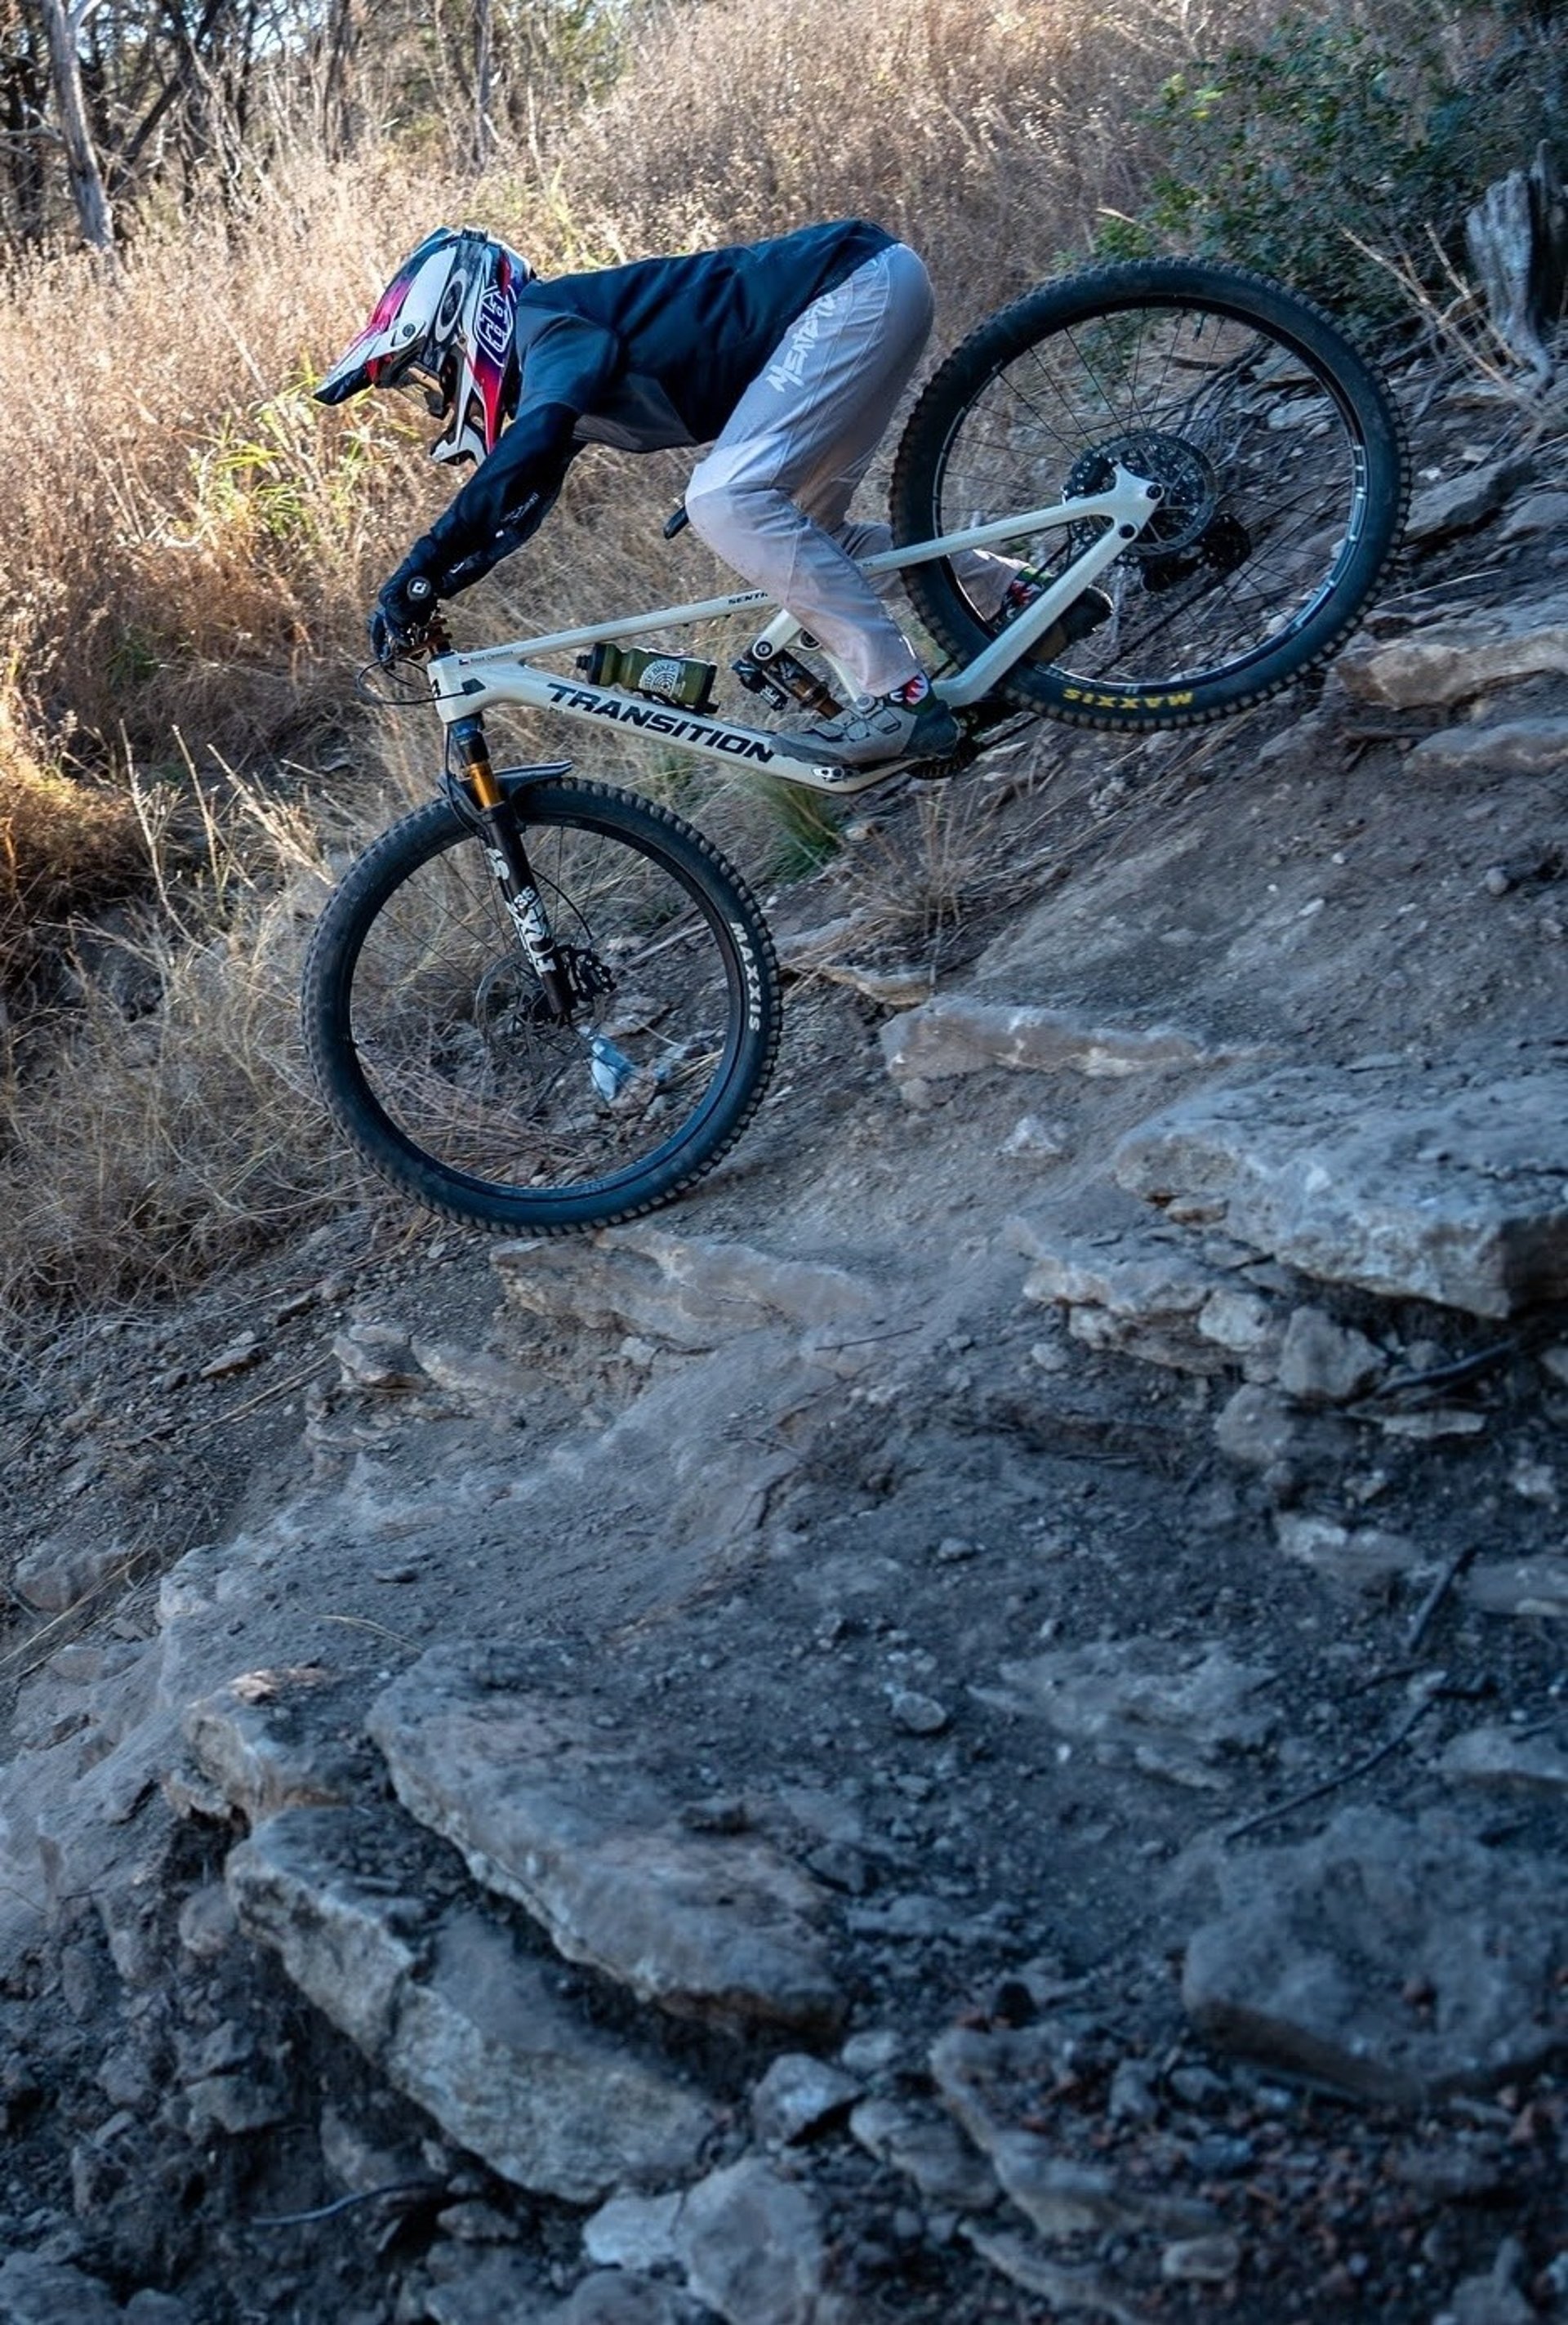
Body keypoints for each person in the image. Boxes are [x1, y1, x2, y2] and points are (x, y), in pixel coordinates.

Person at [314, 218, 1030, 769]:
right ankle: (1015, 598)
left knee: (724, 500)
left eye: (433, 369)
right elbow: (520, 501)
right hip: (871, 285)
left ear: (468, 318)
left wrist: (419, 560)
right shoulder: (555, 353)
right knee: (814, 539)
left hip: (854, 289)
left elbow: (526, 451)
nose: (440, 393)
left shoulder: (543, 323)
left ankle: (895, 697)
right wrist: (431, 583)